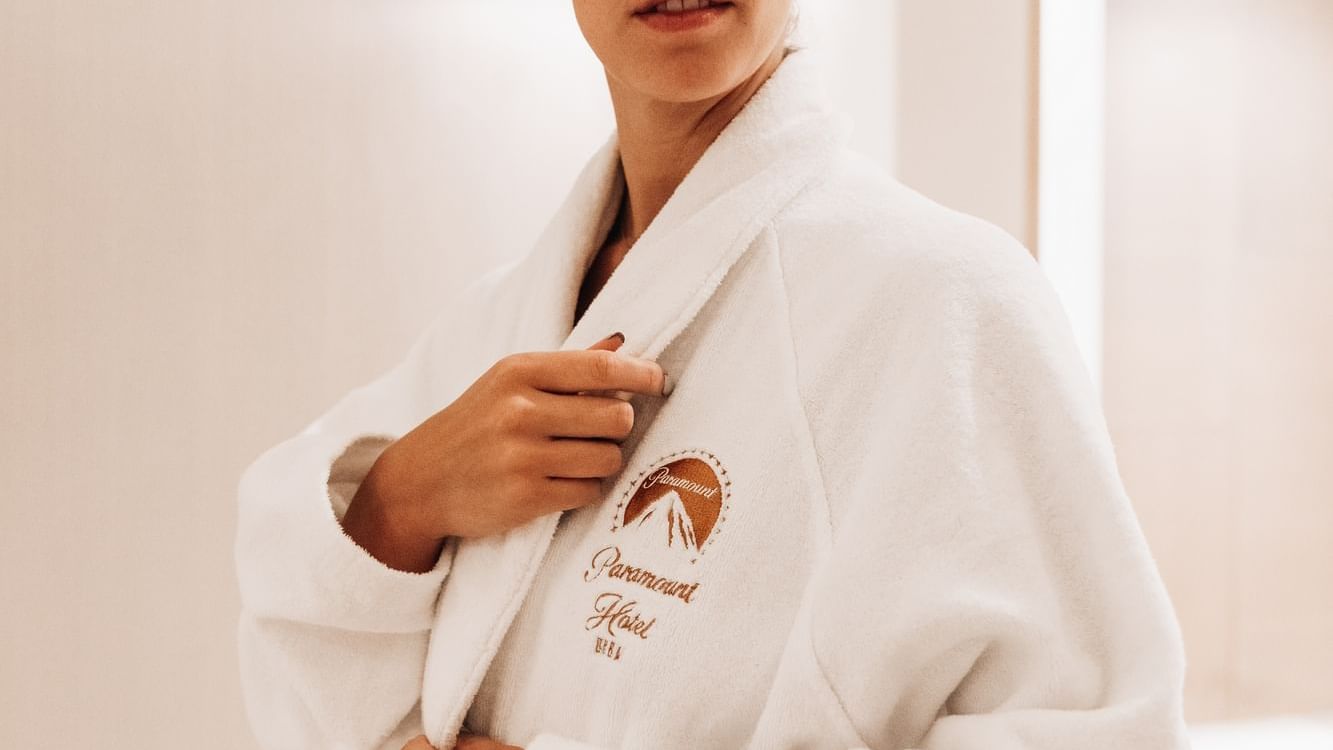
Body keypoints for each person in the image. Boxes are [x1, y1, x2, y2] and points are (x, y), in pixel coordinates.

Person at [234, 1, 1192, 749]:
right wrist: (400, 498)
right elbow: (299, 662)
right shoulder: (499, 321)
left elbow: (1099, 731)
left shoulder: (945, 302)